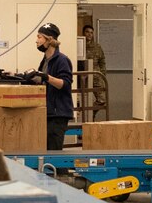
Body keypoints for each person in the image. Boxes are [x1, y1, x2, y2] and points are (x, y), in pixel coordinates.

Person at [34, 22, 75, 150]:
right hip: (48, 112)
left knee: (54, 150)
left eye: (40, 37)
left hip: (58, 114)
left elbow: (65, 84)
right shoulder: (45, 60)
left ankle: (61, 171)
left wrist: (46, 77)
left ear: (49, 40)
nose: (36, 41)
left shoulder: (62, 60)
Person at [81, 22, 108, 122]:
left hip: (96, 77)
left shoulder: (97, 47)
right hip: (83, 77)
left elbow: (102, 61)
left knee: (102, 100)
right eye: (87, 32)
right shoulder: (79, 45)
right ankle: (84, 121)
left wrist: (103, 75)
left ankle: (90, 115)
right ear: (83, 33)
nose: (89, 34)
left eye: (91, 33)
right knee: (82, 101)